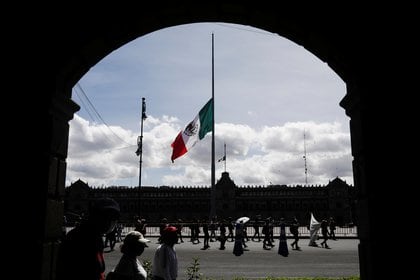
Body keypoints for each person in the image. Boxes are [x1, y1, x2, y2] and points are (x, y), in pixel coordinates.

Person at [56, 197, 120, 280]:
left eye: (114, 219)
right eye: (109, 218)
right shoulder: (82, 238)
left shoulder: (94, 235)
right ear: (96, 216)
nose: (112, 222)